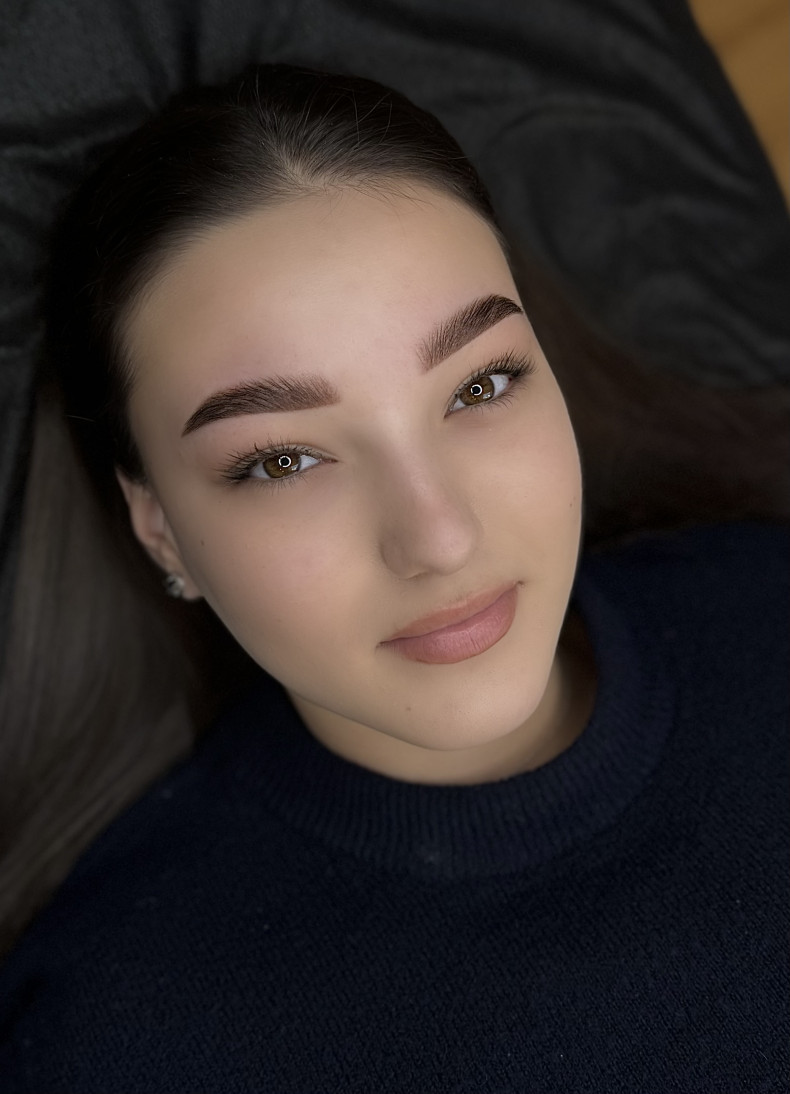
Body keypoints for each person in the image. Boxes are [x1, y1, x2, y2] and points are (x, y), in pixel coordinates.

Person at [0, 62, 787, 1093]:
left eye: (481, 384)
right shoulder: (114, 1037)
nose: (440, 538)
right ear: (161, 531)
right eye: (283, 460)